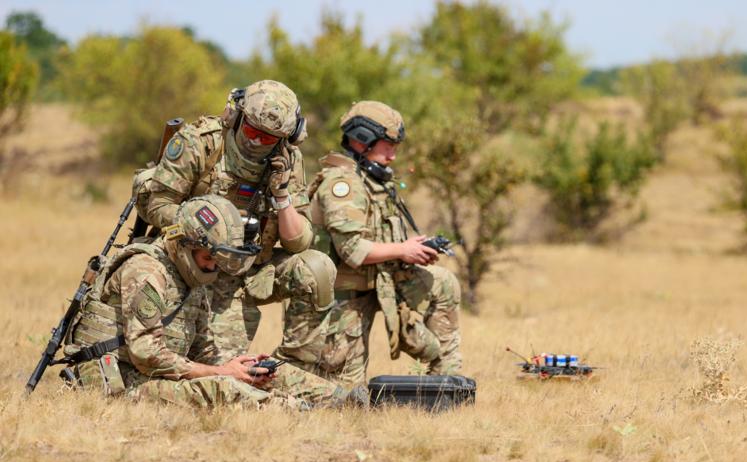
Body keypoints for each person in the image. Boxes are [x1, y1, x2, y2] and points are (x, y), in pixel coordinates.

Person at [62, 195, 350, 408]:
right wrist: (223, 372)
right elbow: (146, 354)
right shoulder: (146, 270)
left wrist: (239, 365)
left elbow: (203, 348)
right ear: (186, 245)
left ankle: (344, 401)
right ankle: (294, 411)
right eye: (209, 258)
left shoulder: (193, 277)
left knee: (263, 373)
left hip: (156, 374)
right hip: (120, 380)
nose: (214, 267)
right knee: (224, 391)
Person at [142, 80, 336, 365]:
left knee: (316, 267)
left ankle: (293, 367)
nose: (257, 141)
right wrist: (204, 231)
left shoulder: (287, 160)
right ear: (236, 116)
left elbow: (299, 241)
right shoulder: (201, 141)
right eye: (252, 130)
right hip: (196, 265)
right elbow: (157, 205)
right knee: (220, 367)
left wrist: (281, 195)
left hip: (250, 268)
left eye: (268, 138)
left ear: (286, 137)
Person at [279, 101, 463, 386]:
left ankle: (447, 386)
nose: (393, 155)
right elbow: (352, 251)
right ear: (361, 140)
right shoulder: (344, 184)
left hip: (377, 283)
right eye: (387, 145)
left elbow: (376, 236)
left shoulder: (372, 180)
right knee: (342, 392)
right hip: (340, 298)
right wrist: (403, 250)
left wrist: (409, 246)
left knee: (443, 283)